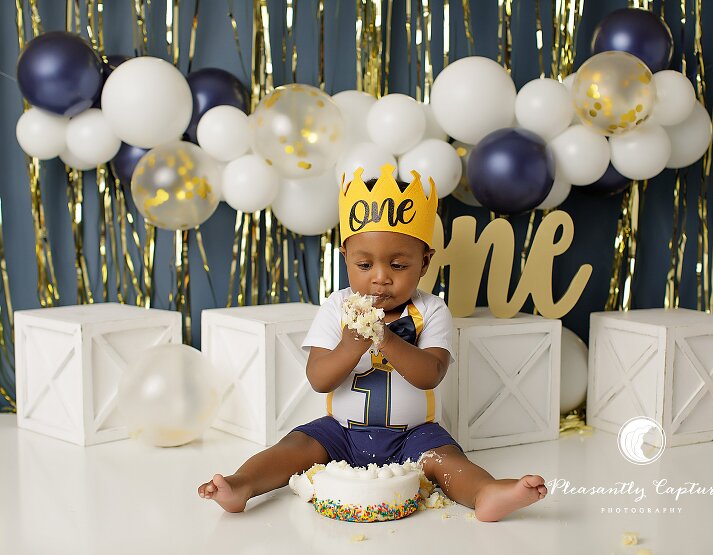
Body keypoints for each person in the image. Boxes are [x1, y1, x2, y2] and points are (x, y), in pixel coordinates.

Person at [198, 164, 547, 521]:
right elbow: (319, 379)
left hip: (414, 435)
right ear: (345, 257)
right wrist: (352, 345)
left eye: (397, 265)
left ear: (424, 263)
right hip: (341, 433)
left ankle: (486, 493)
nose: (380, 278)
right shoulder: (338, 307)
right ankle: (242, 484)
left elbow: (430, 374)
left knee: (448, 461)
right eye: (364, 265)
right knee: (295, 446)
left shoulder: (430, 310)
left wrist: (386, 340)